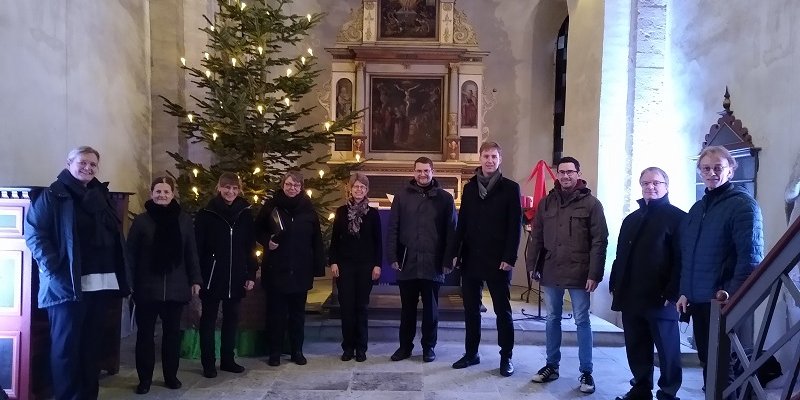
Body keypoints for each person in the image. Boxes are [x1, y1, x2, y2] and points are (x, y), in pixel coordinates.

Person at [25, 146, 130, 400]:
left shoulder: (100, 195)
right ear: (69, 163)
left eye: (93, 165)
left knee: (90, 347)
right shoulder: (53, 195)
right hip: (66, 286)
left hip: (100, 284)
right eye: (82, 162)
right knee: (66, 349)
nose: (88, 168)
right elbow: (35, 234)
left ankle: (87, 395)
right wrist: (54, 269)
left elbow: (113, 234)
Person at [676, 145, 764, 393]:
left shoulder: (743, 205)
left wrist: (730, 297)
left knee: (723, 367)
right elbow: (689, 255)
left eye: (718, 167)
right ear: (700, 172)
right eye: (706, 168)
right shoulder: (698, 208)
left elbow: (750, 259)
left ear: (730, 171)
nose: (711, 173)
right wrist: (685, 291)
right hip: (699, 300)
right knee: (708, 362)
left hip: (722, 301)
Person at [526, 156, 608, 394]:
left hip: (581, 272)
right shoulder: (547, 203)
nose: (565, 176)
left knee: (582, 320)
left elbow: (599, 241)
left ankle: (586, 372)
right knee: (552, 318)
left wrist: (595, 273)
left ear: (578, 173)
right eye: (561, 172)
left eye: (570, 172)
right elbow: (537, 236)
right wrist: (532, 264)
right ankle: (551, 366)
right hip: (551, 269)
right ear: (557, 175)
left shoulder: (592, 204)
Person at [609, 167, 686, 400]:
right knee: (636, 346)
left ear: (666, 186)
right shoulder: (631, 219)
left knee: (667, 350)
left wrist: (672, 292)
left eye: (656, 183)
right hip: (631, 295)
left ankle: (668, 392)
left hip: (661, 298)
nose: (650, 187)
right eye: (645, 183)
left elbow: (682, 259)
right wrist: (615, 282)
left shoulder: (678, 218)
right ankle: (641, 389)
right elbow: (621, 254)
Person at [450, 141, 522, 377]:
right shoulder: (470, 188)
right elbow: (462, 224)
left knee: (503, 311)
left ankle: (506, 357)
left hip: (499, 259)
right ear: (479, 159)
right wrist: (455, 253)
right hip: (471, 258)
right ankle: (471, 354)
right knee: (471, 310)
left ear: (500, 159)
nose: (489, 160)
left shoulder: (511, 188)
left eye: (494, 156)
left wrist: (509, 257)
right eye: (486, 156)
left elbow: (514, 227)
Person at [126, 176, 202, 394]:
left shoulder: (184, 220)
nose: (162, 195)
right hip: (147, 288)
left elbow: (191, 252)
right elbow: (130, 254)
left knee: (171, 336)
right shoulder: (142, 221)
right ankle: (145, 380)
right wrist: (129, 283)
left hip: (176, 288)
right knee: (145, 337)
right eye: (158, 191)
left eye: (166, 191)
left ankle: (171, 376)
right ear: (152, 194)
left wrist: (196, 279)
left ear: (172, 194)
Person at [386, 157, 457, 363]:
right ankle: (405, 347)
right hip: (407, 261)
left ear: (433, 172)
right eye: (419, 171)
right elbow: (393, 228)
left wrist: (448, 259)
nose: (422, 174)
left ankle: (429, 347)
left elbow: (451, 231)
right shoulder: (401, 197)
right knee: (407, 309)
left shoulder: (445, 198)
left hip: (433, 263)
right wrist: (393, 256)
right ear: (413, 172)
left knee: (431, 310)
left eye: (426, 171)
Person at [257, 171, 325, 367]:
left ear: (301, 187)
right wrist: (266, 241)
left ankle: (297, 351)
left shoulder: (309, 210)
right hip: (277, 267)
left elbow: (316, 241)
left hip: (301, 269)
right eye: (288, 184)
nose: (292, 188)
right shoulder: (271, 206)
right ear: (282, 185)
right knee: (276, 313)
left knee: (297, 314)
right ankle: (275, 352)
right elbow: (258, 229)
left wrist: (317, 268)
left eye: (296, 185)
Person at [194, 172, 258, 378]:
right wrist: (198, 276)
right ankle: (208, 362)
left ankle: (228, 359)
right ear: (219, 188)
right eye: (227, 187)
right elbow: (198, 247)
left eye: (234, 188)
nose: (230, 192)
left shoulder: (245, 213)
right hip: (212, 275)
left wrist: (250, 273)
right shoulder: (206, 213)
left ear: (239, 190)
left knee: (232, 319)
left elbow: (250, 245)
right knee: (209, 320)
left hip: (237, 274)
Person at [328, 173, 382, 362]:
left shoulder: (373, 213)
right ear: (349, 189)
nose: (359, 190)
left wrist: (377, 265)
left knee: (361, 307)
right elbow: (334, 240)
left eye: (362, 187)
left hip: (366, 265)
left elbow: (378, 242)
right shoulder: (341, 212)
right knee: (347, 307)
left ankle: (361, 347)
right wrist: (333, 261)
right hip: (345, 265)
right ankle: (348, 347)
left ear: (367, 190)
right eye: (356, 187)